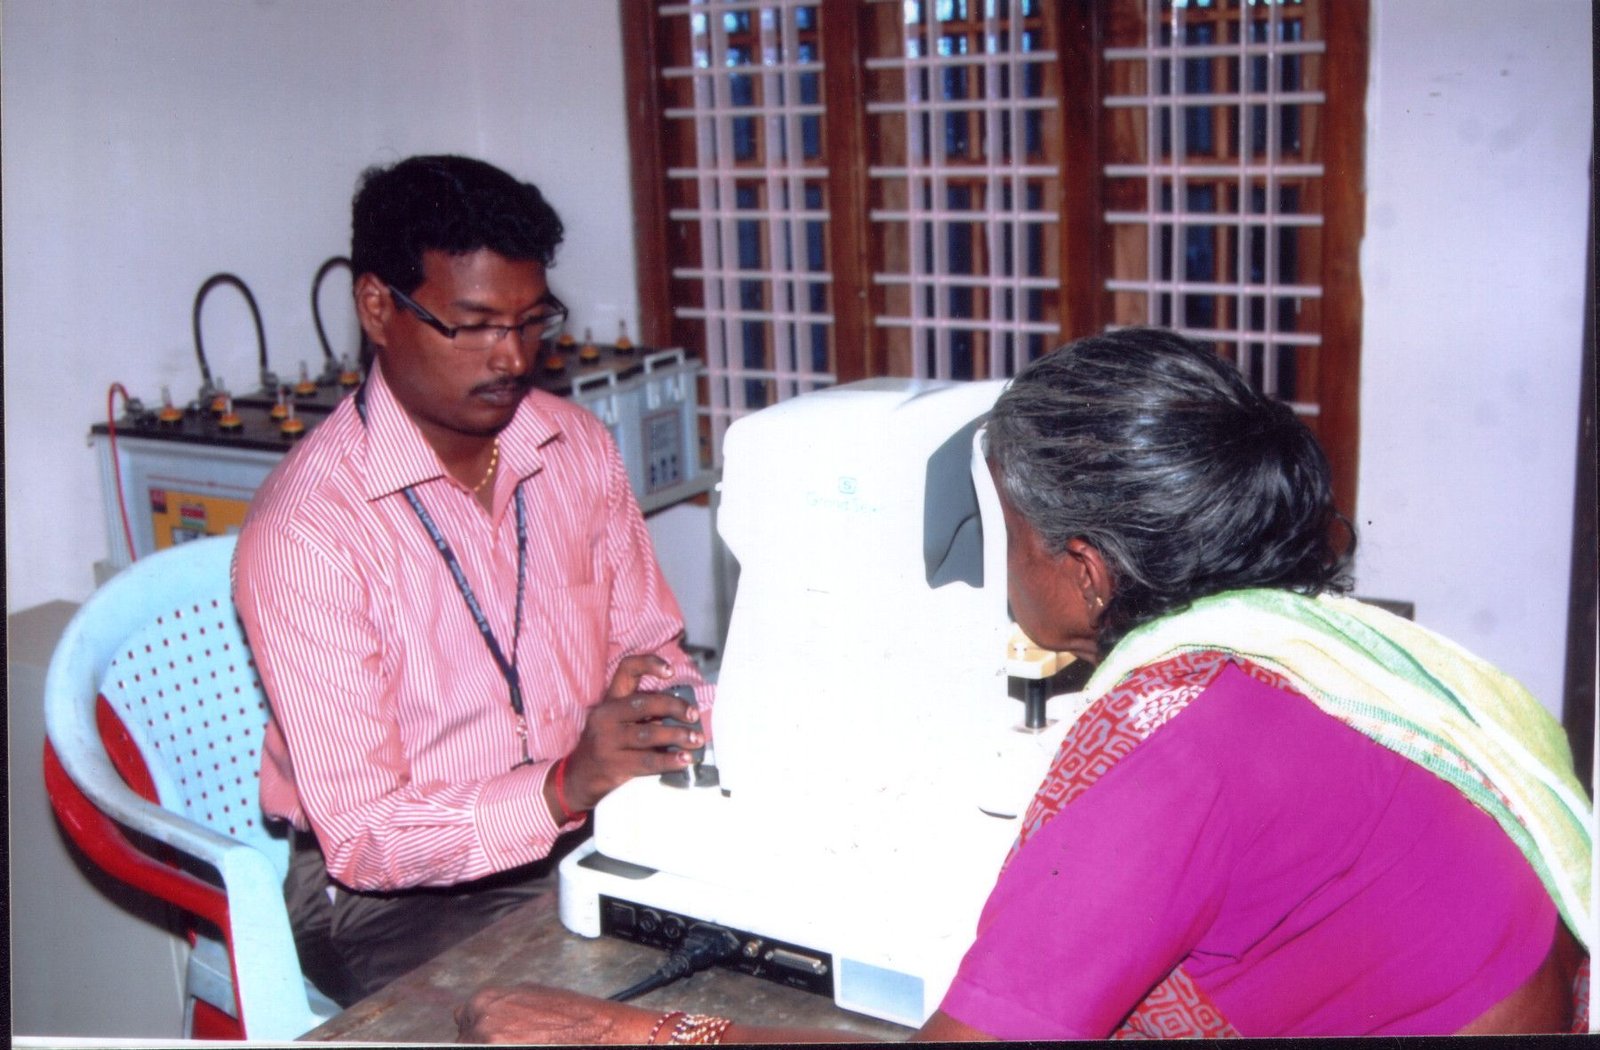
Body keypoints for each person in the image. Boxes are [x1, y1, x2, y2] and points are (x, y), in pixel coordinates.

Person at [454, 328, 1591, 1042]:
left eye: (1004, 530)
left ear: (1085, 569)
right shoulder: (1329, 648)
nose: (992, 567)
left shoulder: (1171, 742)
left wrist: (638, 1035)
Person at [232, 154, 710, 1007]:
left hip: (588, 819)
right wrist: (562, 786)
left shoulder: (575, 448)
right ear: (378, 307)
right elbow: (366, 836)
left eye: (530, 322)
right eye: (476, 325)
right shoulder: (307, 533)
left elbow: (652, 650)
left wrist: (671, 716)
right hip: (396, 897)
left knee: (768, 963)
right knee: (574, 1021)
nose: (513, 356)